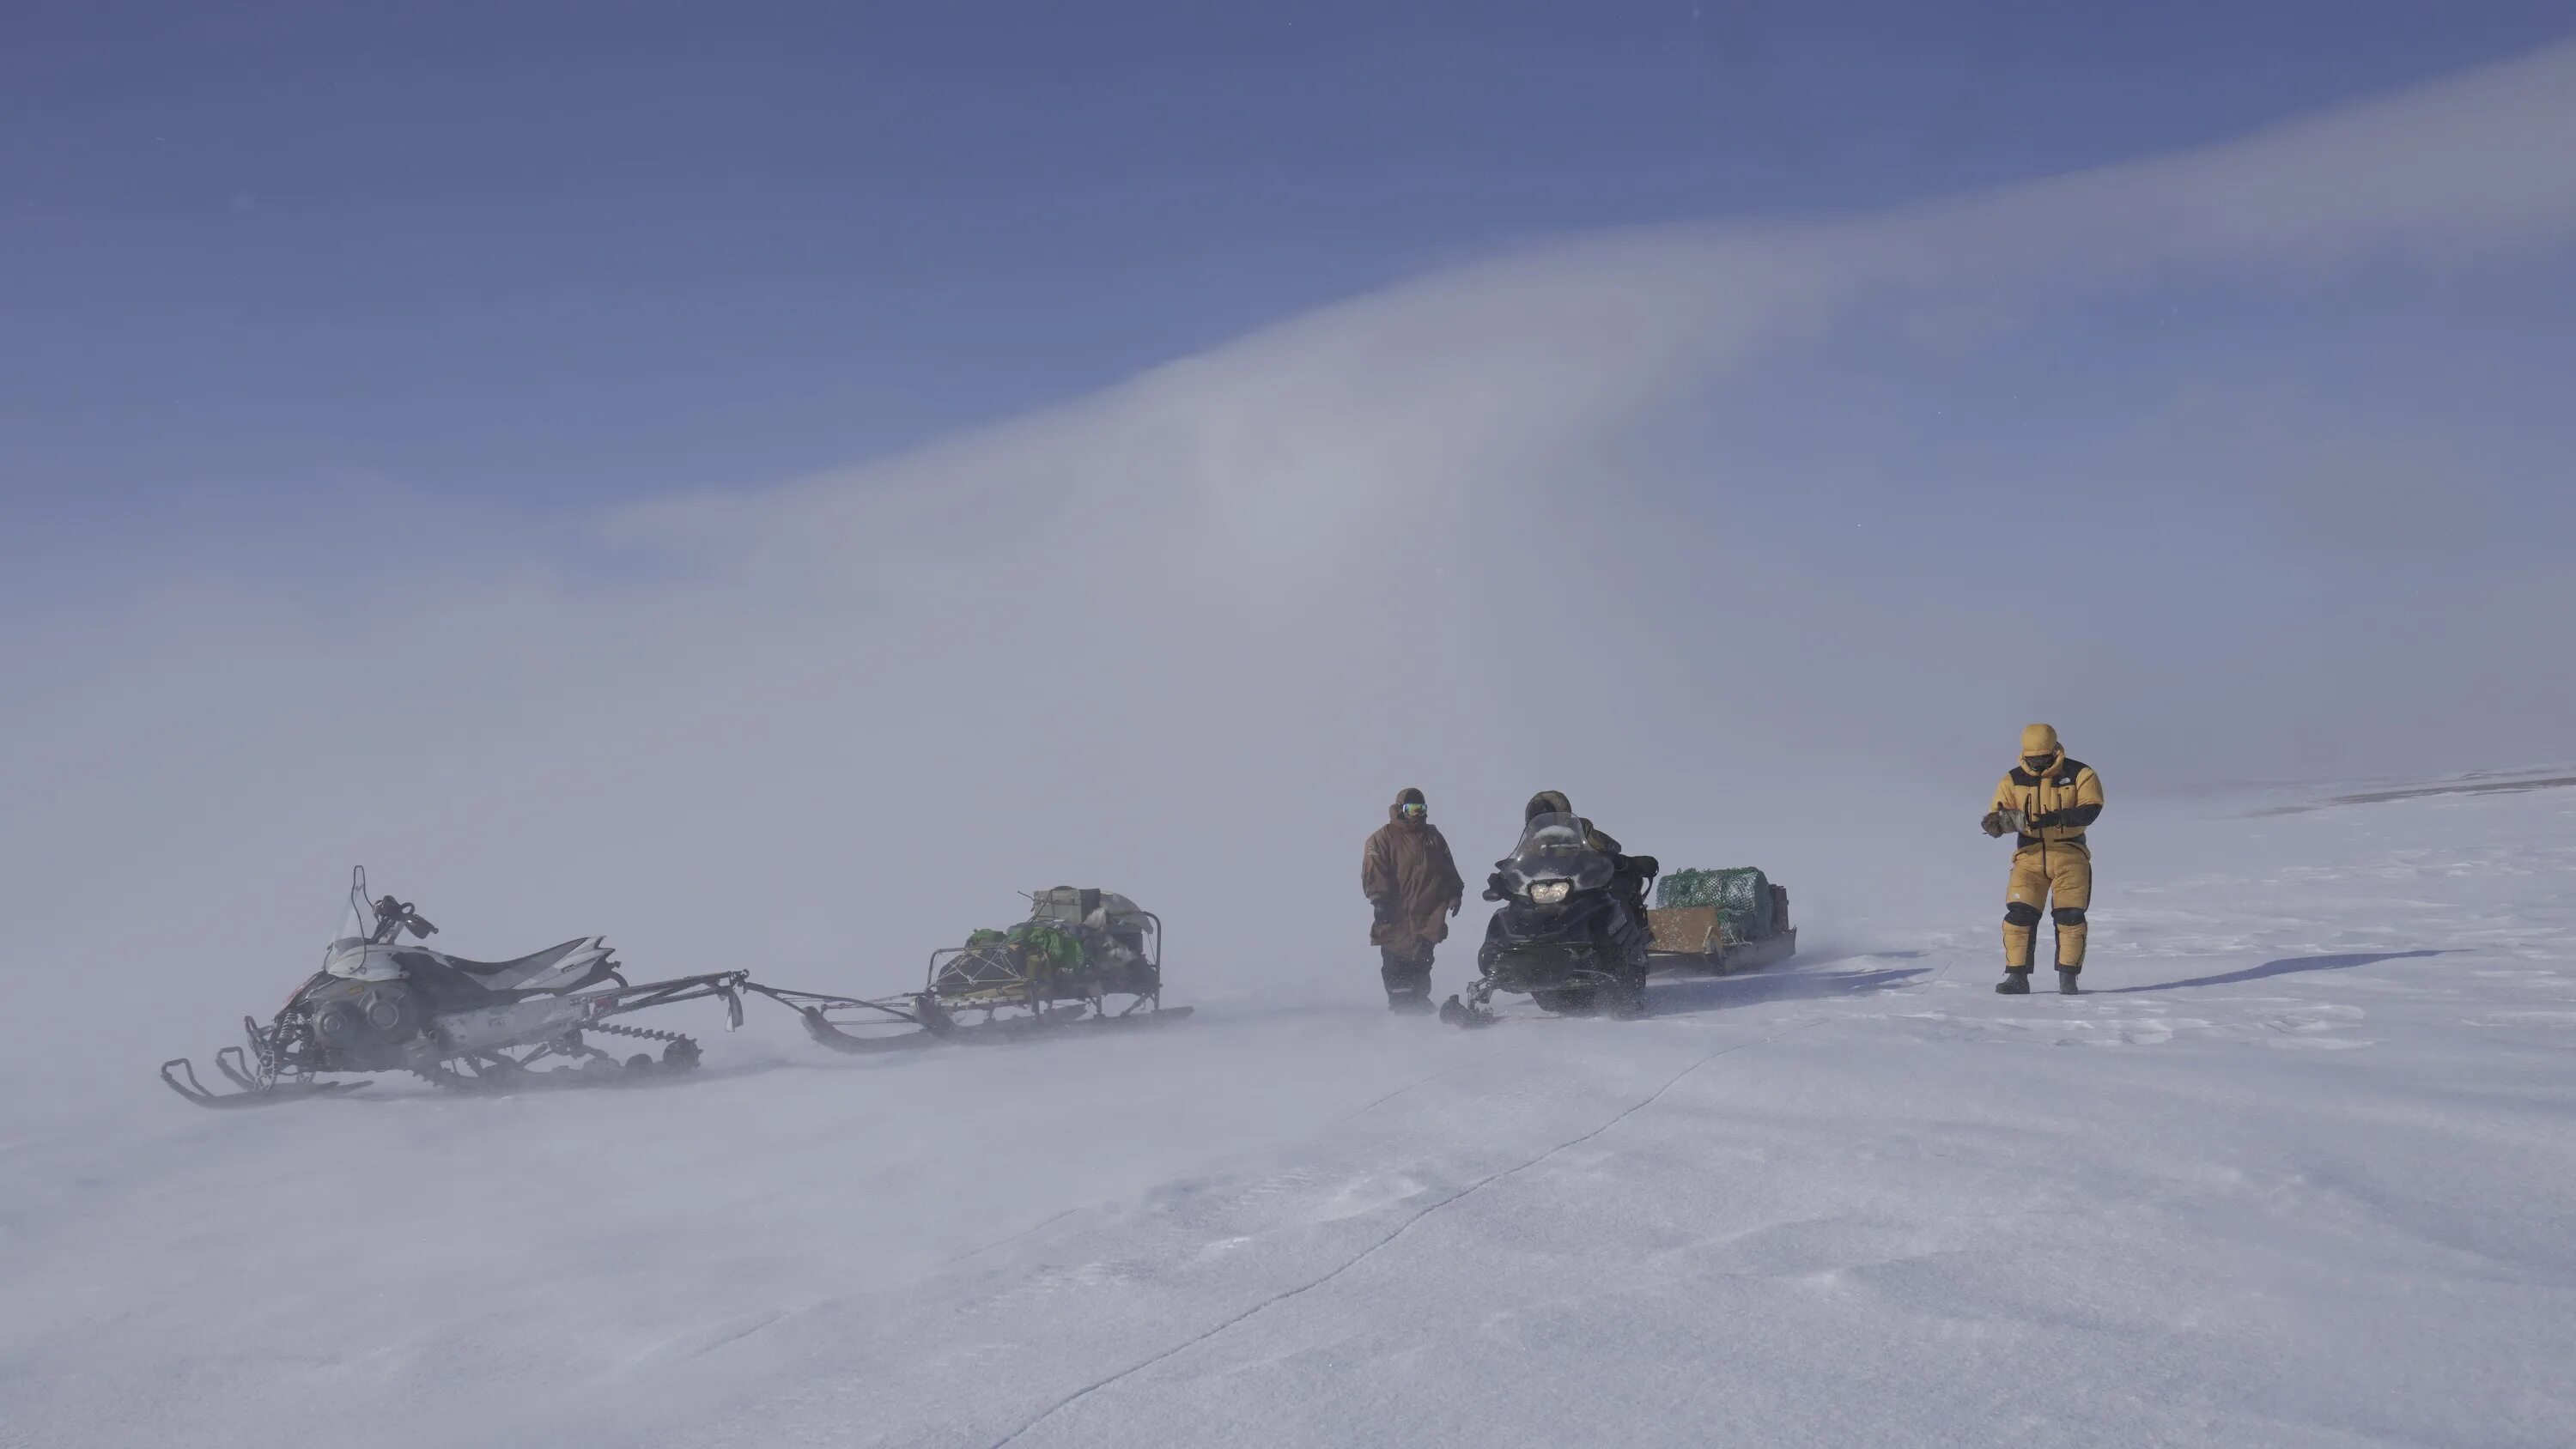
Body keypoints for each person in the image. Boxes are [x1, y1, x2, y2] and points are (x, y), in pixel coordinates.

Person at [1981, 724, 2105, 994]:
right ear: (2023, 754)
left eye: (2042, 758)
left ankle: (2068, 979)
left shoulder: (2080, 774)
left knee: (2071, 917)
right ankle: (2017, 977)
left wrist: (2058, 817)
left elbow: (2091, 809)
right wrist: (1999, 823)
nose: (2037, 764)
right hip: (2029, 857)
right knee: (2018, 916)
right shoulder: (2011, 780)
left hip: (2070, 855)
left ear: (2054, 750)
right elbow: (1996, 817)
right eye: (2031, 759)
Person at [1361, 787, 1466, 1013]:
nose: (1417, 814)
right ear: (1401, 809)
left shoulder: (1433, 837)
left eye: (1421, 809)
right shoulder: (1382, 838)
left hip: (1428, 913)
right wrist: (1379, 899)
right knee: (1395, 956)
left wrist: (1454, 895)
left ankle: (1420, 1000)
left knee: (1423, 958)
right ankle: (1401, 1005)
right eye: (1412, 809)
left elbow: (1448, 868)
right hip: (1395, 911)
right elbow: (1373, 869)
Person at [1501, 791, 1658, 931]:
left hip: (1579, 883)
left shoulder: (1580, 829)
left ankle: (1628, 939)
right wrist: (1505, 875)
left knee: (1615, 892)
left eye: (1547, 813)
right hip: (1542, 889)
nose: (1542, 822)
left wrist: (1612, 856)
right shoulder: (1530, 841)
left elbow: (1604, 845)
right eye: (1537, 817)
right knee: (1510, 911)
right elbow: (1522, 860)